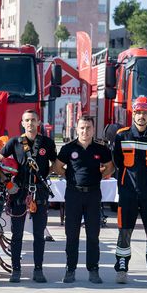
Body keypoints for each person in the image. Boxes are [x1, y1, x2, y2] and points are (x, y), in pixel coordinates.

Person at [111, 96, 147, 285]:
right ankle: (122, 270)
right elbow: (117, 161)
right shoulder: (122, 136)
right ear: (133, 114)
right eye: (138, 113)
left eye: (145, 113)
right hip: (127, 193)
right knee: (124, 233)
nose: (141, 116)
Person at [0, 109, 57, 283]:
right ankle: (16, 269)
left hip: (40, 192)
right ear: (22, 123)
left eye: (33, 120)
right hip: (19, 192)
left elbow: (56, 163)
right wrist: (7, 182)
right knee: (17, 234)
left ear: (39, 122)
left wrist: (44, 176)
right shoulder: (14, 142)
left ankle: (38, 269)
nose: (30, 123)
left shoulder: (47, 143)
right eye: (27, 120)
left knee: (39, 234)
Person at [53, 116, 113, 283]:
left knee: (93, 235)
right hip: (74, 195)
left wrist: (98, 176)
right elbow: (57, 167)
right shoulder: (68, 148)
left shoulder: (101, 149)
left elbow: (110, 167)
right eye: (82, 128)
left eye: (88, 128)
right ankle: (70, 269)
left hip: (93, 195)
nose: (85, 131)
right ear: (77, 129)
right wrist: (70, 176)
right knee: (72, 235)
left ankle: (93, 270)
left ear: (93, 130)